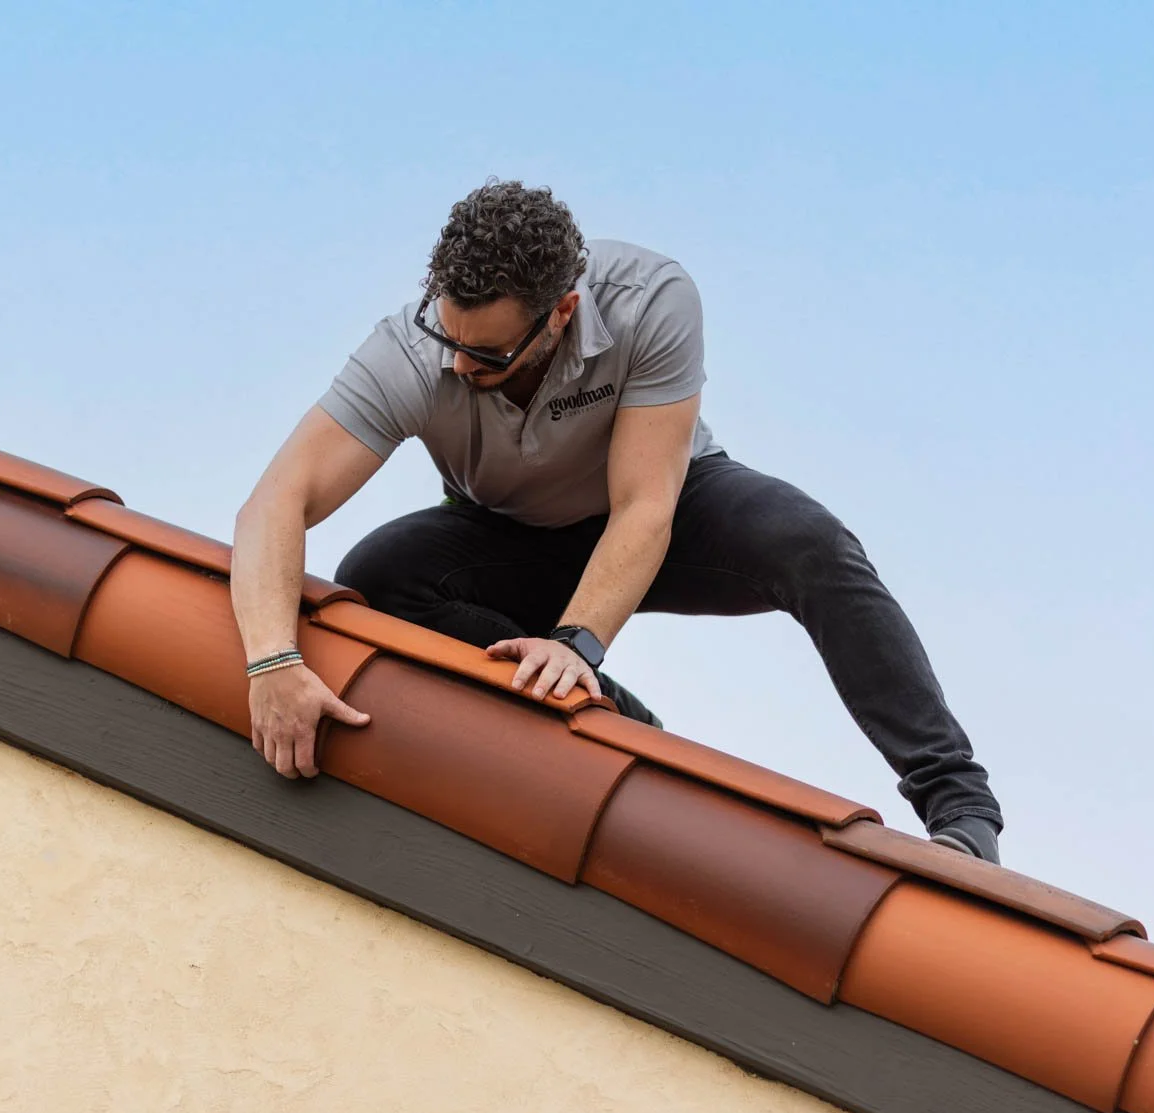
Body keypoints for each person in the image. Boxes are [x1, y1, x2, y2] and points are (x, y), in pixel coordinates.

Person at [230, 180, 1005, 863]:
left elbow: (644, 505)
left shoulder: (651, 299)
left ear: (561, 313)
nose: (460, 365)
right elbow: (276, 500)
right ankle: (616, 719)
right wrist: (271, 661)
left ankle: (959, 806)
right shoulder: (408, 351)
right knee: (379, 575)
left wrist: (576, 643)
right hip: (509, 532)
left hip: (662, 508)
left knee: (812, 544)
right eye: (449, 339)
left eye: (488, 355)